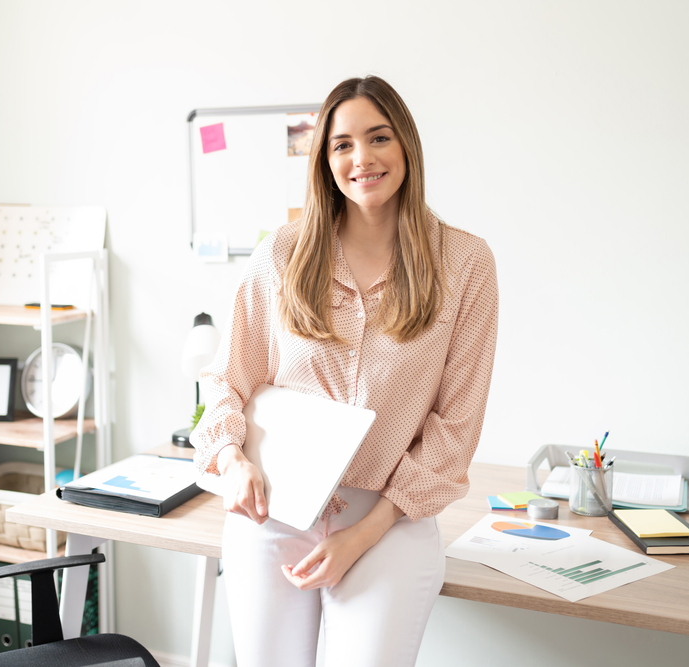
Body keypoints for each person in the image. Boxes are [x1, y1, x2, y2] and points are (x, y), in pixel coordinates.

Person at [191, 75, 499, 667]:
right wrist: (231, 460)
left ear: (406, 145)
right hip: (273, 510)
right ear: (324, 159)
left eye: (378, 138)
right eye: (342, 144)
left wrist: (362, 534)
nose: (362, 159)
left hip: (389, 519)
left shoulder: (465, 264)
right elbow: (227, 378)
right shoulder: (282, 254)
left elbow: (454, 426)